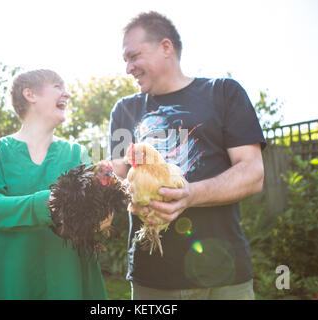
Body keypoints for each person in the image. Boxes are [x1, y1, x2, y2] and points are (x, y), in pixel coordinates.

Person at [109, 12, 266, 300]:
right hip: (153, 276)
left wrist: (190, 194)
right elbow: (119, 176)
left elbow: (253, 173)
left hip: (222, 273)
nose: (128, 68)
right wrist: (110, 190)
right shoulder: (124, 110)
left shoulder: (223, 93)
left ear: (166, 47)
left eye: (133, 57)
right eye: (125, 61)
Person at [0, 69, 109, 299]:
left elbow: (94, 220)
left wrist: (104, 210)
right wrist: (49, 203)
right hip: (11, 281)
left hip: (67, 280)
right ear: (30, 94)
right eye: (58, 86)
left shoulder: (77, 153)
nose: (67, 95)